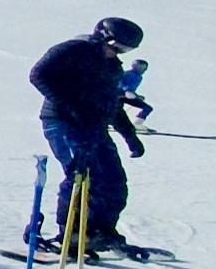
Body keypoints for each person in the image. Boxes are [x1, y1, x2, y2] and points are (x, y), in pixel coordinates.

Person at [28, 17, 146, 253]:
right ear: (102, 38)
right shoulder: (74, 50)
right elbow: (39, 74)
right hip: (62, 122)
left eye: (125, 50)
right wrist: (71, 106)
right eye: (116, 47)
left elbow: (112, 102)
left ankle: (99, 232)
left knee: (113, 180)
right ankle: (70, 234)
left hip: (93, 126)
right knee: (81, 176)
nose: (118, 53)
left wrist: (129, 135)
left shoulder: (112, 67)